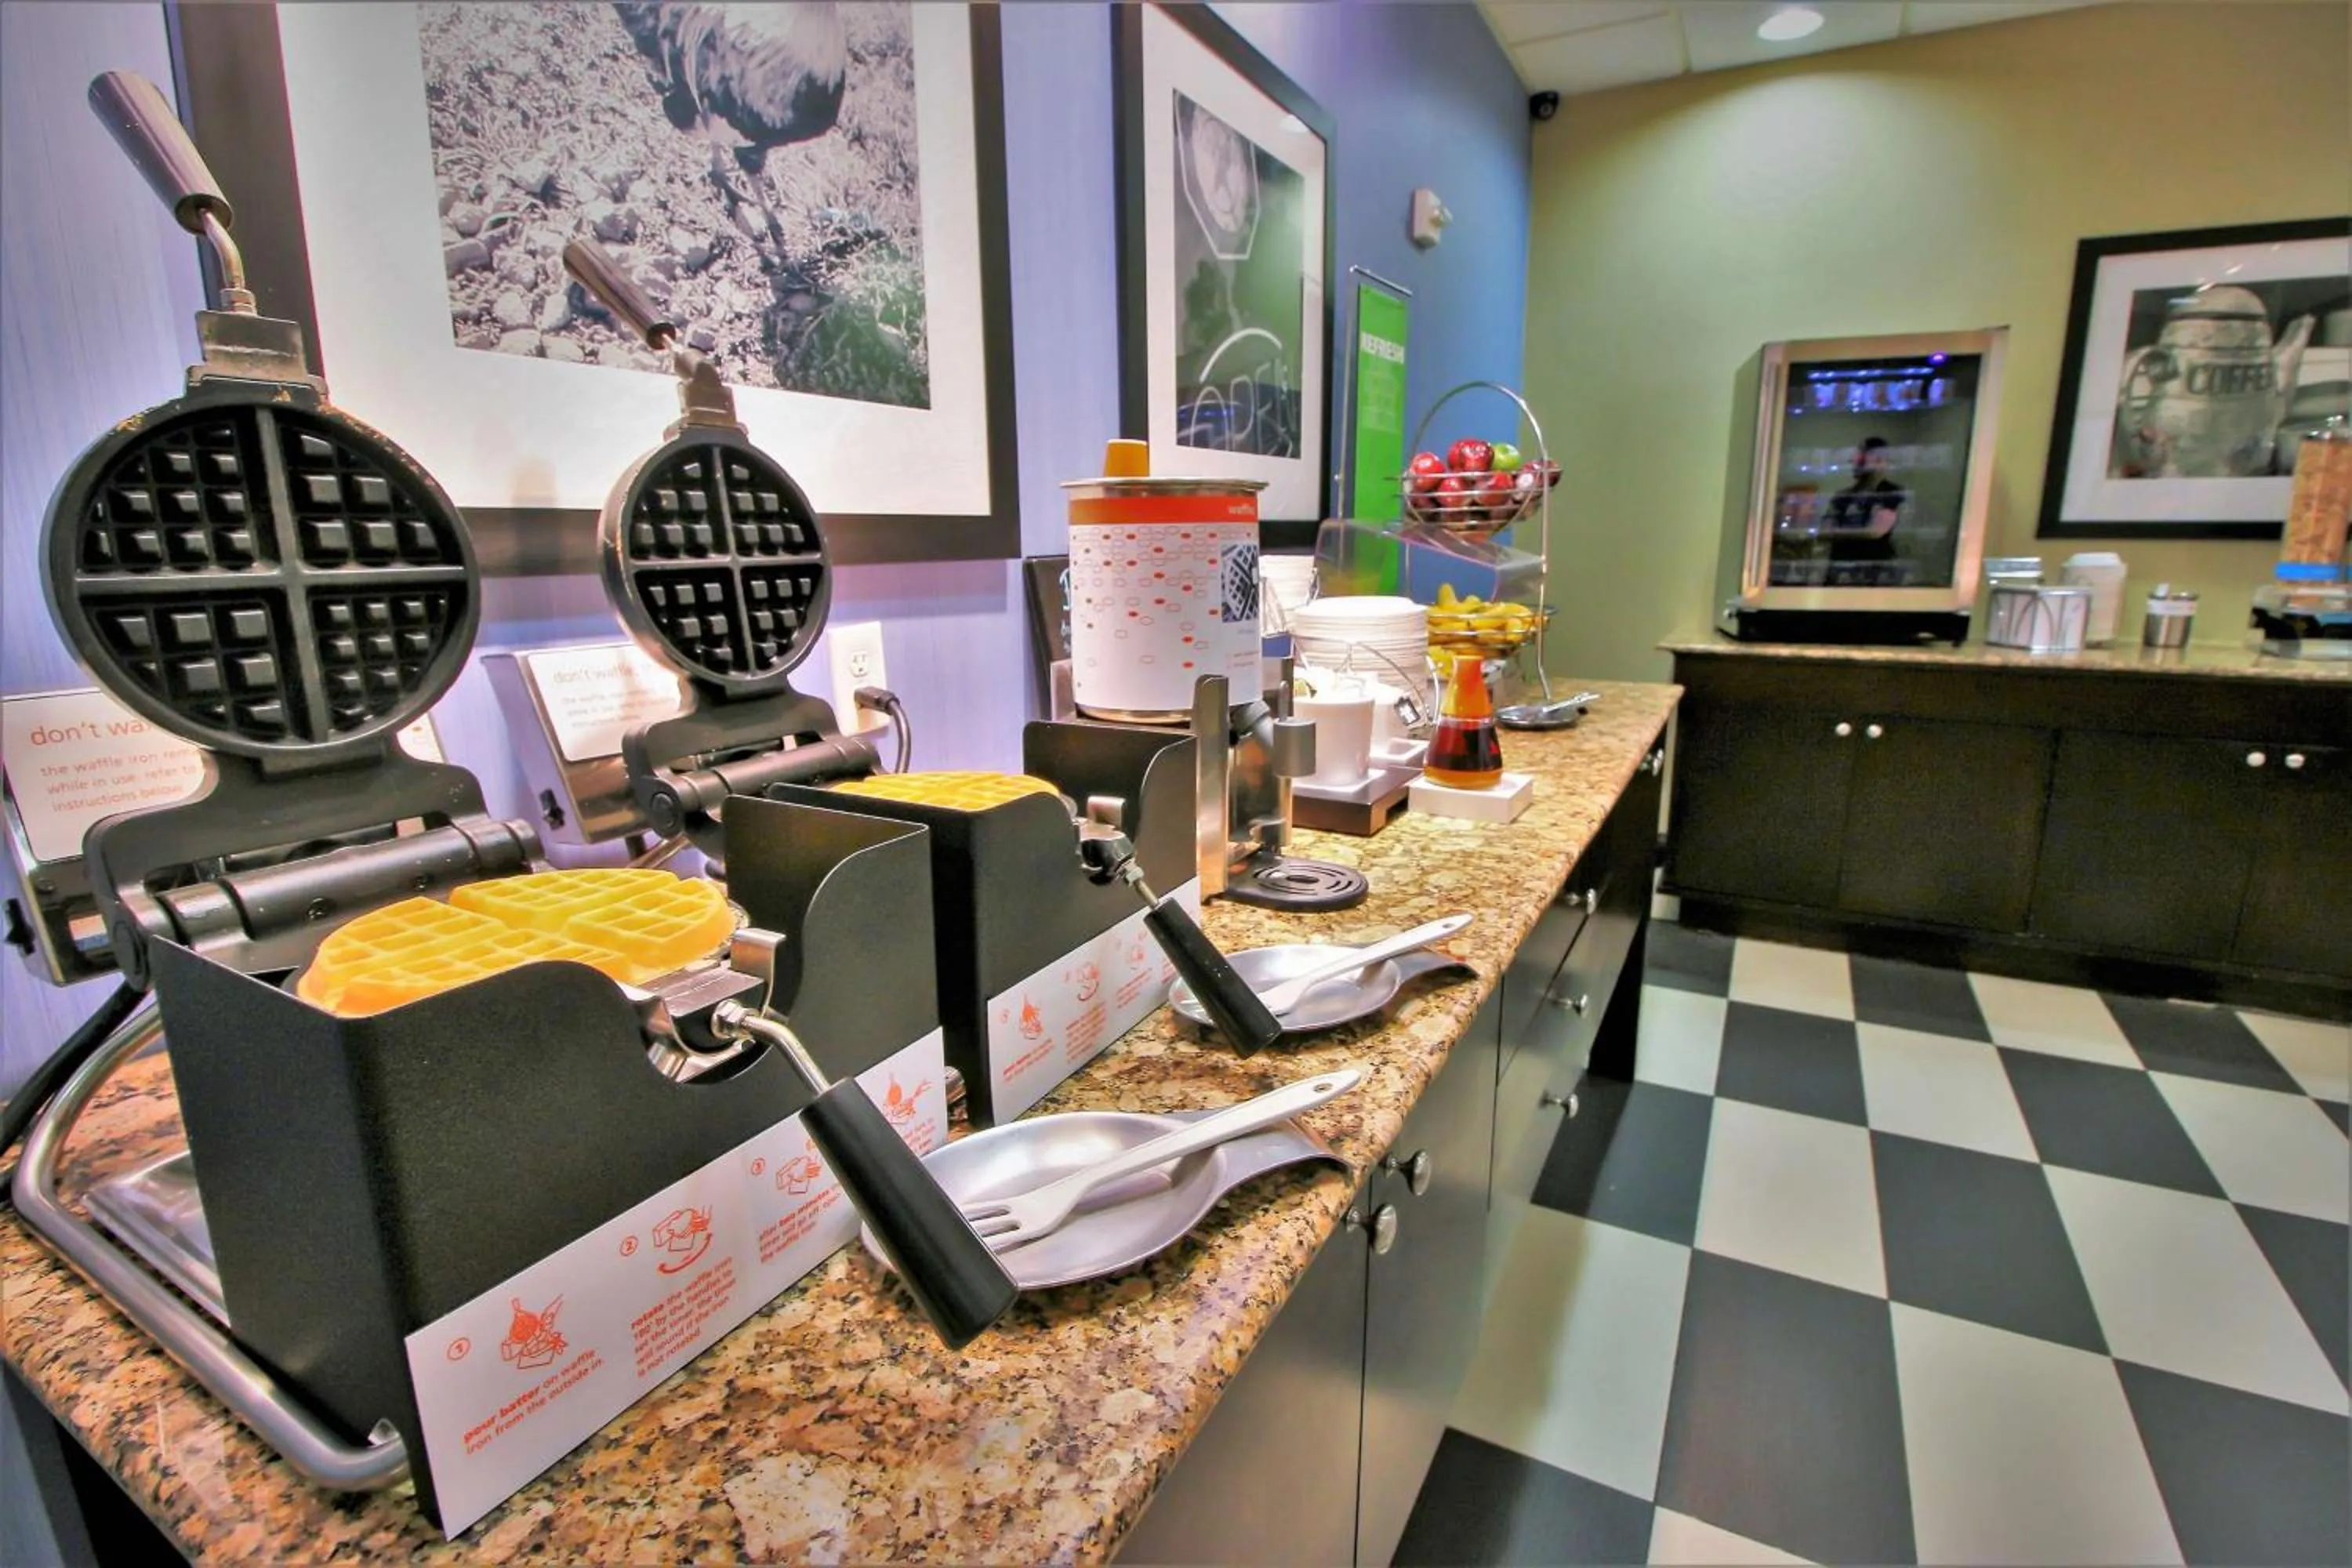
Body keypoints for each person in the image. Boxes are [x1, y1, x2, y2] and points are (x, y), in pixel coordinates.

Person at [1822, 437, 1909, 564]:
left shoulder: (1892, 493)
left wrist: (1836, 532)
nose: (1854, 462)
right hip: (1841, 565)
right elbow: (1824, 532)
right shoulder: (1843, 496)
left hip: (1873, 568)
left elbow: (1875, 532)